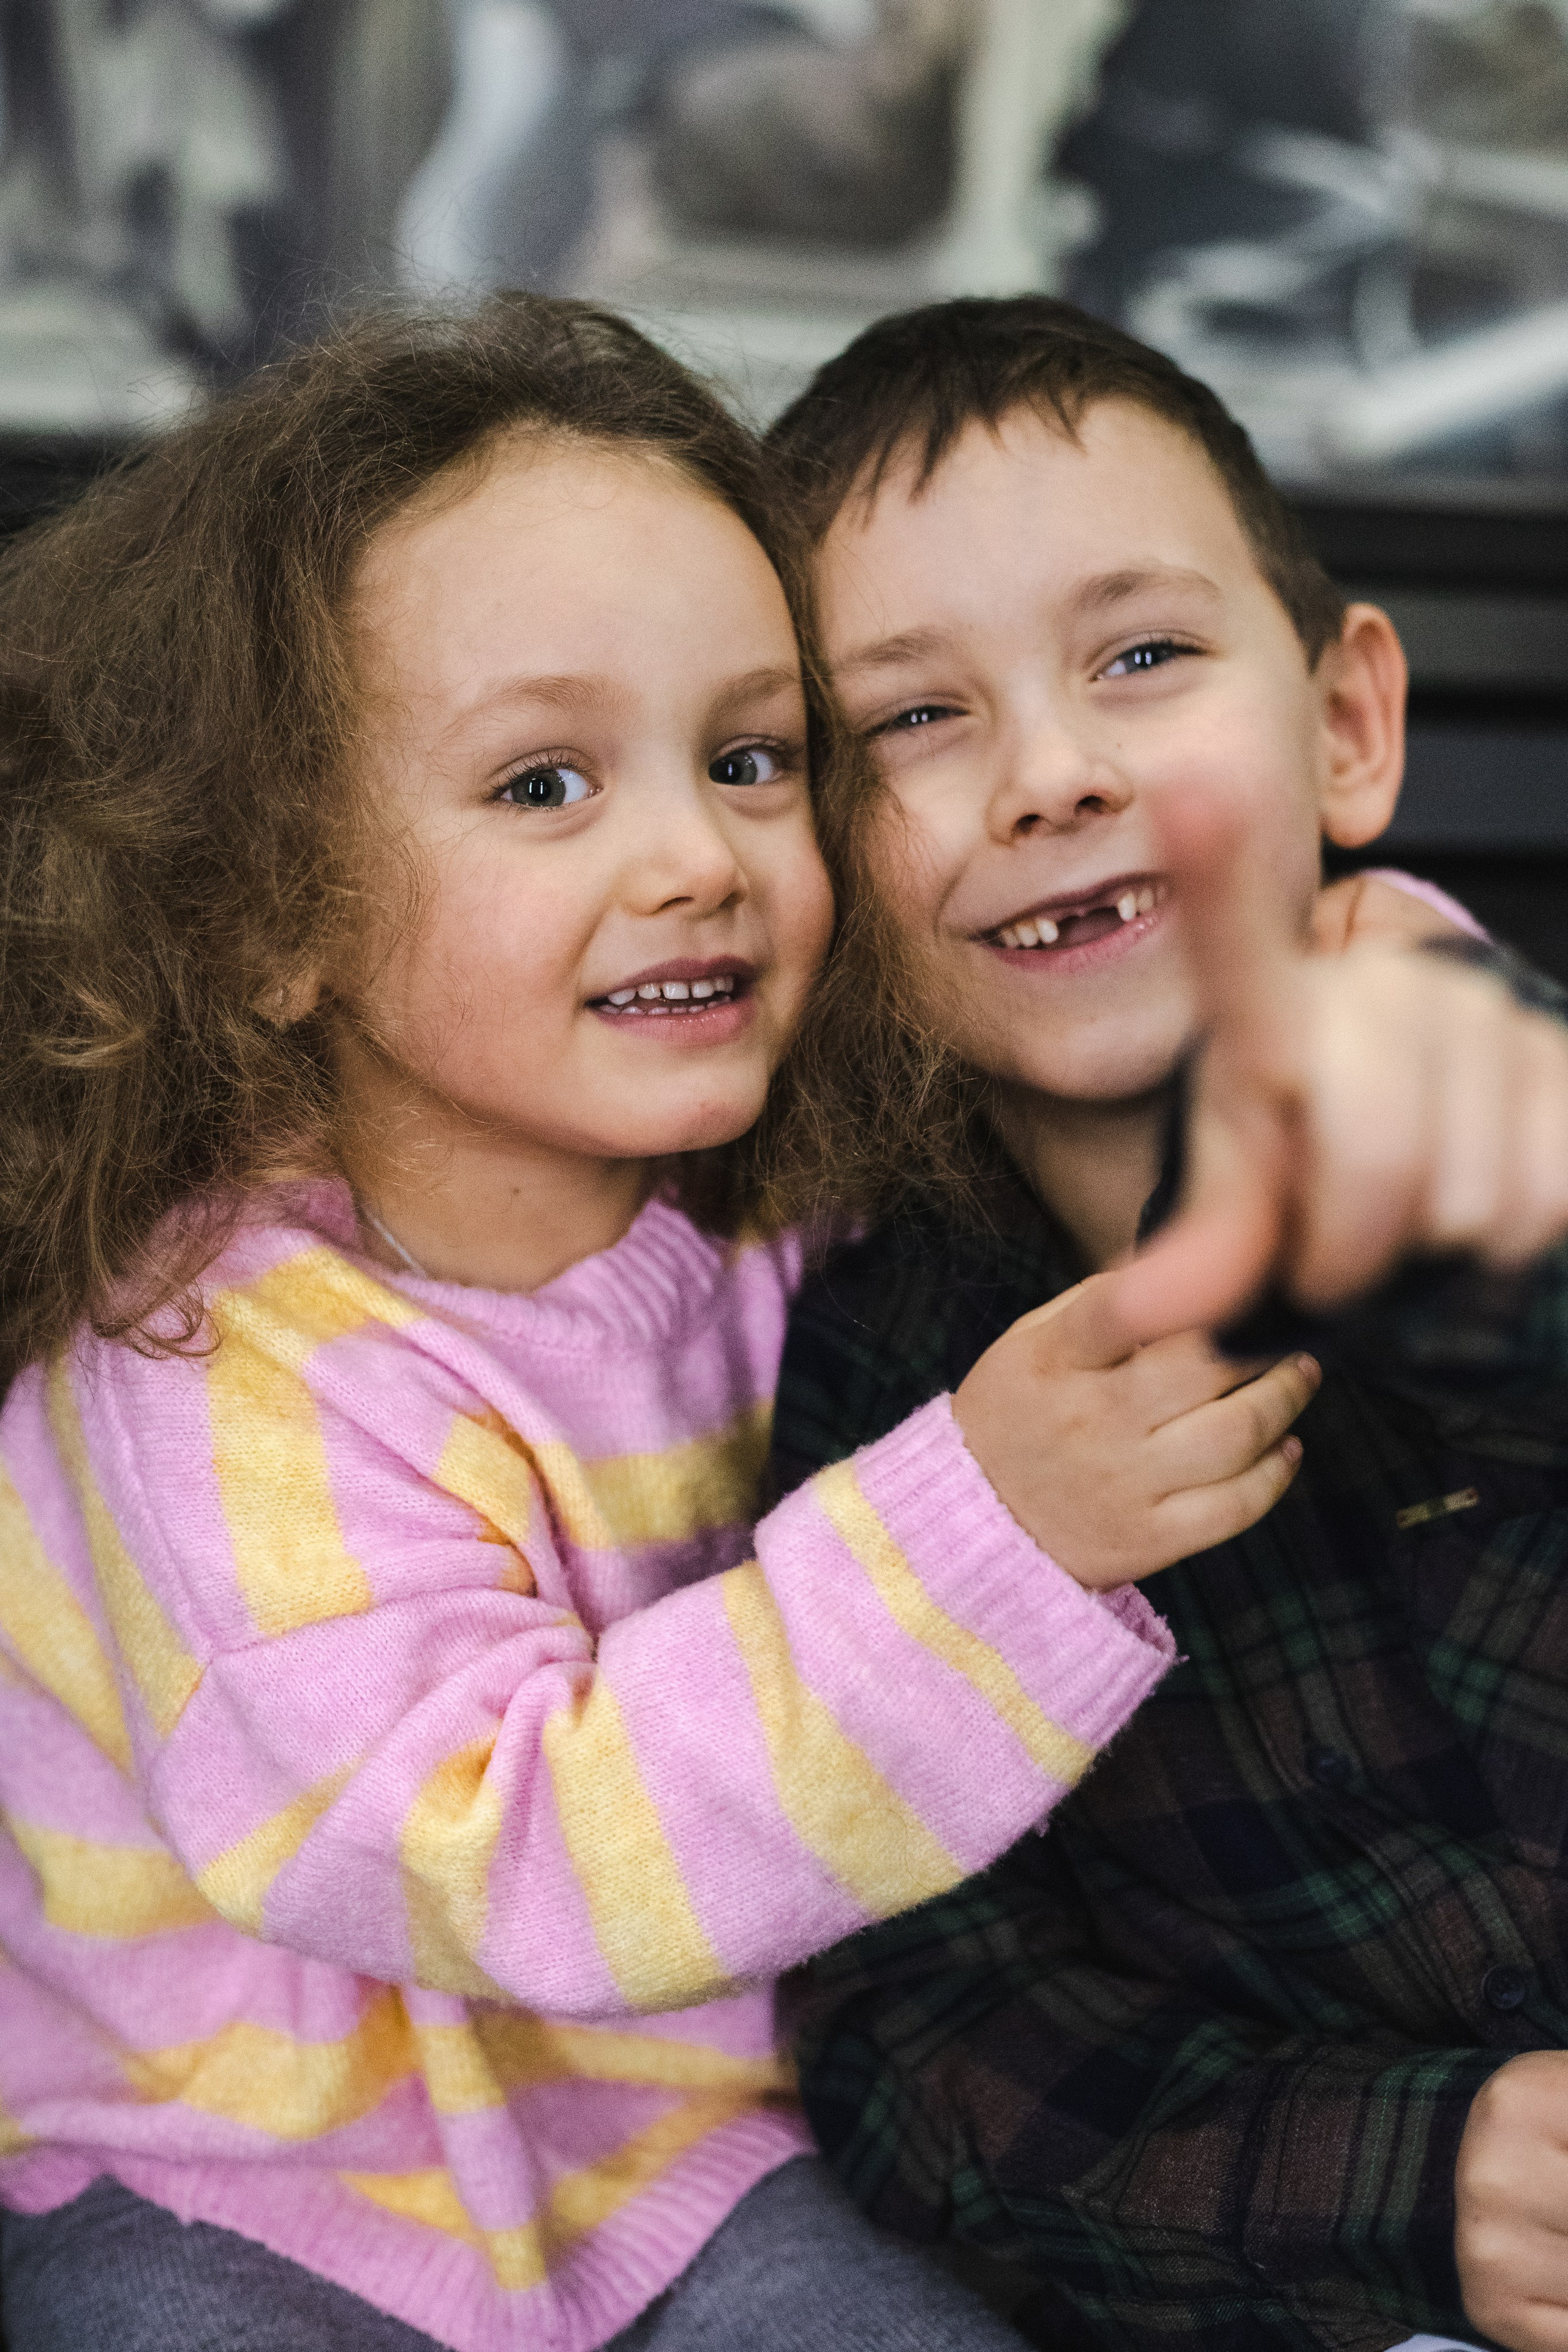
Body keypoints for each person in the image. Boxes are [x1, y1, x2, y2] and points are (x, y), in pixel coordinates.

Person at [4, 289, 1359, 2352]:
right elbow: (500, 1844)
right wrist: (991, 1532)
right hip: (237, 2182)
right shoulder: (202, 1362)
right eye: (546, 782)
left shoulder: (796, 1230)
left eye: (752, 760)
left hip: (697, 2148)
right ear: (272, 903)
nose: (699, 857)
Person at [761, 293, 1568, 2352]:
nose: (1048, 774)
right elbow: (919, 2024)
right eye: (912, 723)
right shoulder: (884, 1378)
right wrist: (1419, 2179)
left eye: (1141, 655)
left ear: (1348, 727)